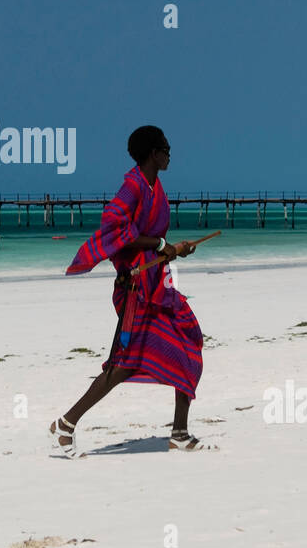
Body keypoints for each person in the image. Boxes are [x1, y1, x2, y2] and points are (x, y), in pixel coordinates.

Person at [50, 125, 213, 455]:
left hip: (158, 285)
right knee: (124, 363)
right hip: (136, 289)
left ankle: (179, 432)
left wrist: (172, 249)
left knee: (189, 341)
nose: (170, 155)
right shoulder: (133, 186)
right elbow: (114, 226)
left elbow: (153, 241)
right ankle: (65, 424)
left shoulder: (155, 186)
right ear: (154, 153)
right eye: (167, 149)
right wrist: (162, 244)